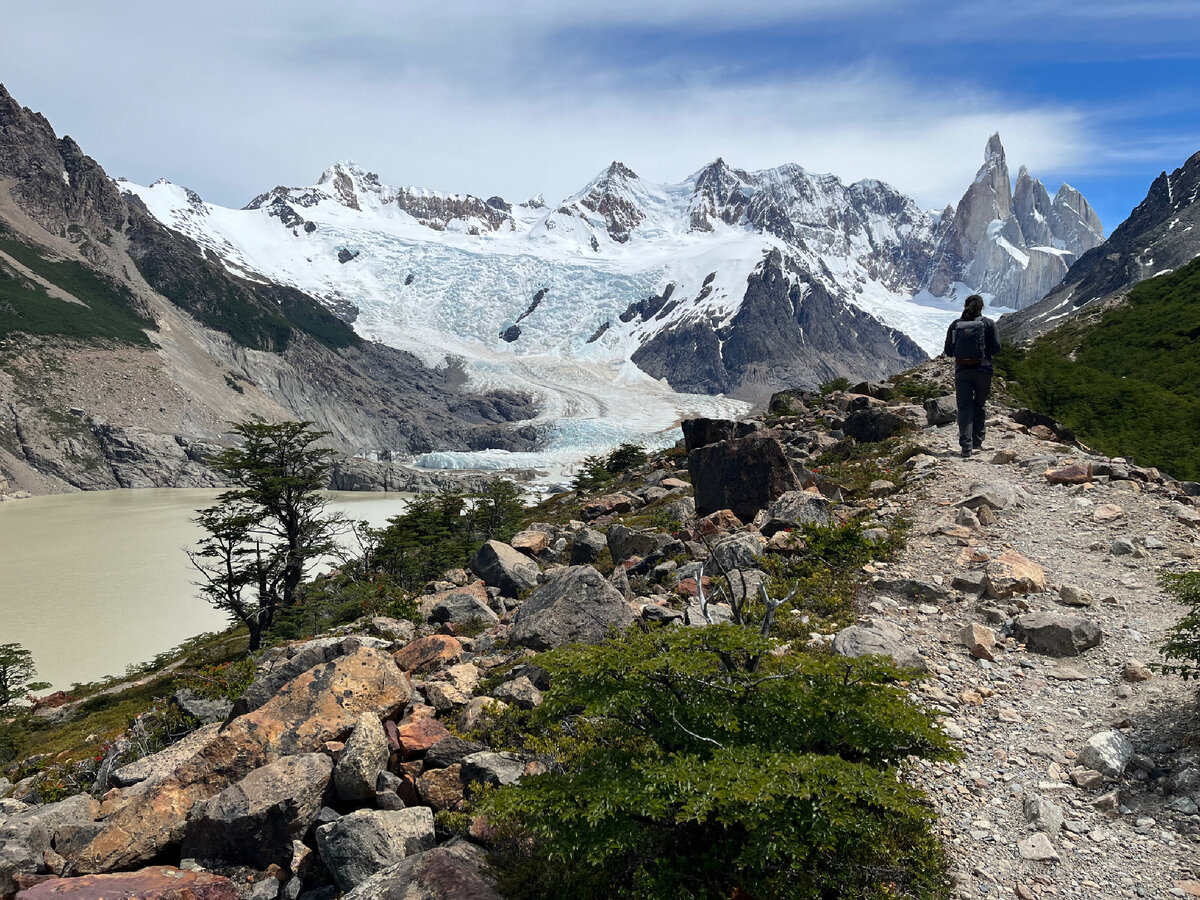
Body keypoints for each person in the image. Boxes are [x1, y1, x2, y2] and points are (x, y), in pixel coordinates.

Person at [943, 294, 1001, 458]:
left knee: (964, 407)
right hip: (984, 370)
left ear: (965, 306)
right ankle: (978, 440)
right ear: (981, 307)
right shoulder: (989, 323)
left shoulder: (956, 325)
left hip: (962, 371)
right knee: (979, 404)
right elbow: (996, 348)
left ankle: (966, 447)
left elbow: (948, 351)